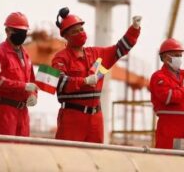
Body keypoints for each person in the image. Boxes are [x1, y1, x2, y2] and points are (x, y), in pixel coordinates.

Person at [52, 7, 141, 143]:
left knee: (96, 157)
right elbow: (59, 82)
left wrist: (134, 29)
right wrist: (84, 81)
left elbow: (120, 49)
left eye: (81, 29)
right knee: (68, 156)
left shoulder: (96, 54)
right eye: (75, 31)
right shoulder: (60, 58)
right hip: (72, 117)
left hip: (96, 119)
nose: (80, 33)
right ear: (66, 36)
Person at [0, 12, 38, 136]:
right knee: (5, 150)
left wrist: (33, 95)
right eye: (17, 31)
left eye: (24, 31)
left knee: (22, 151)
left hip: (23, 112)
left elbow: (32, 81)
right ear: (7, 31)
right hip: (4, 110)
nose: (22, 34)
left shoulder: (26, 55)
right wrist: (23, 86)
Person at [150, 38, 184, 149]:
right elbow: (168, 97)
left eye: (180, 55)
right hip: (169, 130)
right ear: (165, 57)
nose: (179, 58)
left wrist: (179, 91)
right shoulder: (158, 77)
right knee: (168, 161)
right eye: (176, 55)